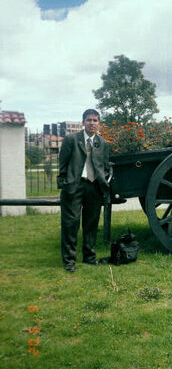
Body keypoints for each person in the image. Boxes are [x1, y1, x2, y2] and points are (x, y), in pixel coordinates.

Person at [57, 109, 110, 272]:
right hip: (74, 186)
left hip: (94, 187)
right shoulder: (71, 140)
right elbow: (63, 164)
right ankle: (69, 261)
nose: (92, 123)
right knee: (70, 224)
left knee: (91, 224)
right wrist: (65, 184)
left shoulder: (103, 143)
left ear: (99, 124)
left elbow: (106, 166)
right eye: (89, 120)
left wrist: (103, 181)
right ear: (83, 122)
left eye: (95, 120)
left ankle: (89, 257)